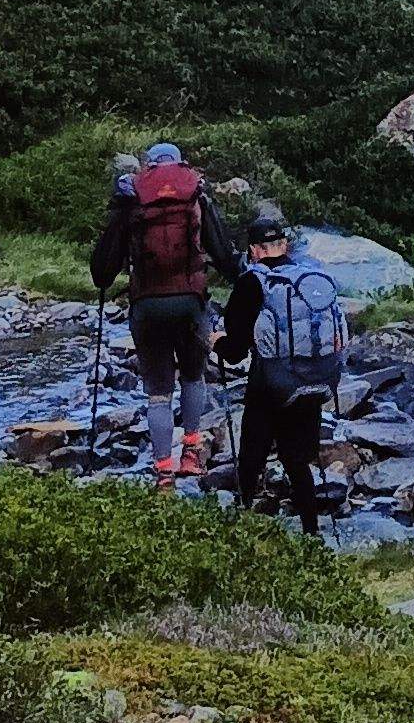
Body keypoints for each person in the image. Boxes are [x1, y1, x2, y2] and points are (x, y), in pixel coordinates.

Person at [90, 138, 239, 483]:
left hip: (147, 306)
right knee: (192, 377)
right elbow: (222, 252)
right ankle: (190, 453)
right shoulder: (195, 195)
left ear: (148, 167)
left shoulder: (133, 200)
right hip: (191, 302)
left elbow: (102, 273)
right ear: (179, 163)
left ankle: (162, 473)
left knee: (158, 392)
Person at [218, 203, 343, 533]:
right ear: (284, 245)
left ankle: (243, 518)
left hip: (271, 385)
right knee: (297, 460)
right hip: (316, 381)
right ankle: (311, 531)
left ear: (254, 250)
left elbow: (233, 353)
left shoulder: (253, 282)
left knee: (252, 454)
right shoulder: (310, 279)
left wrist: (215, 341)